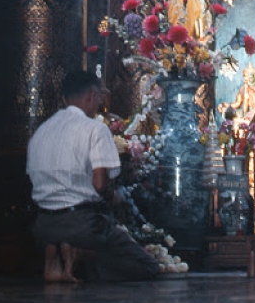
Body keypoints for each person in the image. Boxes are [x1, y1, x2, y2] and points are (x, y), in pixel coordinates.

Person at [26, 70, 160, 282]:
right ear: (91, 95)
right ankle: (80, 255)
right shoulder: (94, 129)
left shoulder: (41, 131)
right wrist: (114, 196)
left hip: (43, 227)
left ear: (64, 98)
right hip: (82, 225)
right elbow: (99, 185)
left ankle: (58, 258)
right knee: (148, 266)